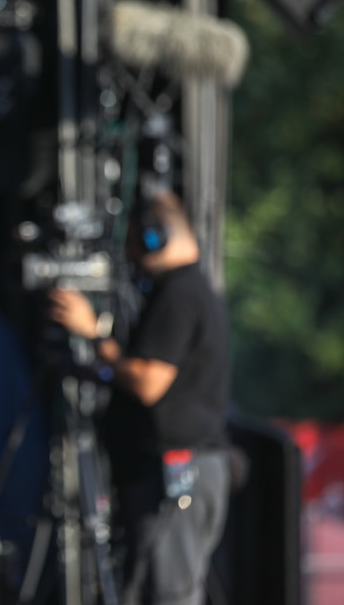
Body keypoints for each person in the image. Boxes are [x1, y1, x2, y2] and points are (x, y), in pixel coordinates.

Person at [47, 188, 231, 605]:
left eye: (131, 241)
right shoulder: (188, 290)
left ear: (153, 237)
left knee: (167, 592)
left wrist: (92, 333)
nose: (128, 255)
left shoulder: (181, 294)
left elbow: (149, 382)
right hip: (173, 469)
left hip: (178, 469)